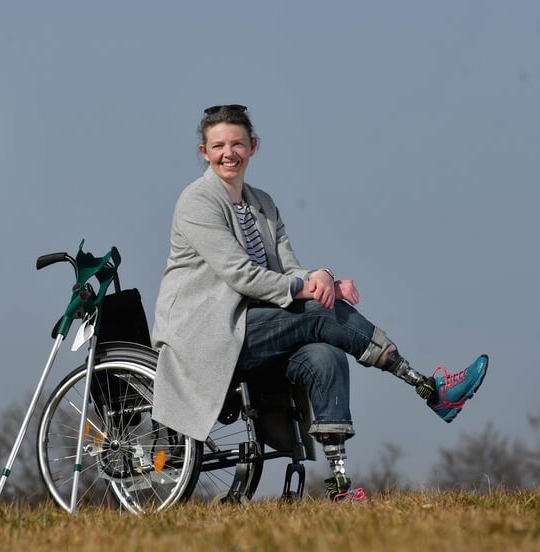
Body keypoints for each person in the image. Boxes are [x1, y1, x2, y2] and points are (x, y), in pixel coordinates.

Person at [150, 104, 488, 501]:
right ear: (203, 153)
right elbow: (240, 274)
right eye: (219, 145)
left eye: (238, 143)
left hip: (256, 328)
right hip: (208, 334)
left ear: (253, 147)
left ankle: (340, 488)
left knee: (325, 355)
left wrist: (325, 279)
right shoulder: (197, 203)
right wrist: (308, 290)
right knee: (317, 312)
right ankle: (429, 389)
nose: (229, 153)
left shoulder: (263, 203)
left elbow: (289, 266)